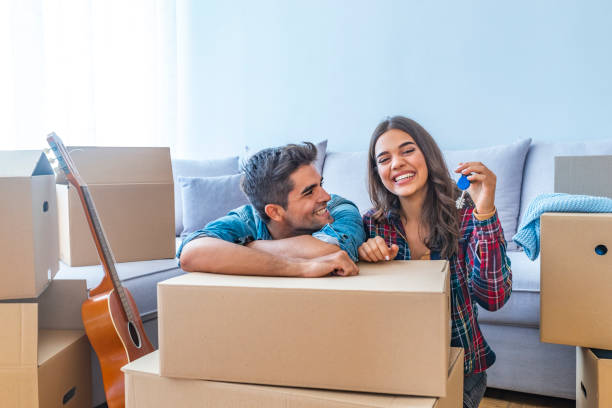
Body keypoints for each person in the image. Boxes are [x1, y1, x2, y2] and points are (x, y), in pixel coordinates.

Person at [358, 116, 512, 408]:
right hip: (397, 367)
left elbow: (493, 298)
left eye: (407, 151)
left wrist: (486, 210)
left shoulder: (466, 213)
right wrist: (366, 254)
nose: (397, 163)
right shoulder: (372, 224)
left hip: (459, 369)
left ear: (427, 155)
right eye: (384, 159)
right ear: (377, 172)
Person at [178, 142, 365, 278]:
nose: (326, 196)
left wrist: (247, 248)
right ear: (274, 212)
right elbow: (191, 253)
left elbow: (330, 251)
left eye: (320, 184)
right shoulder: (247, 219)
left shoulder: (340, 209)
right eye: (309, 192)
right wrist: (301, 268)